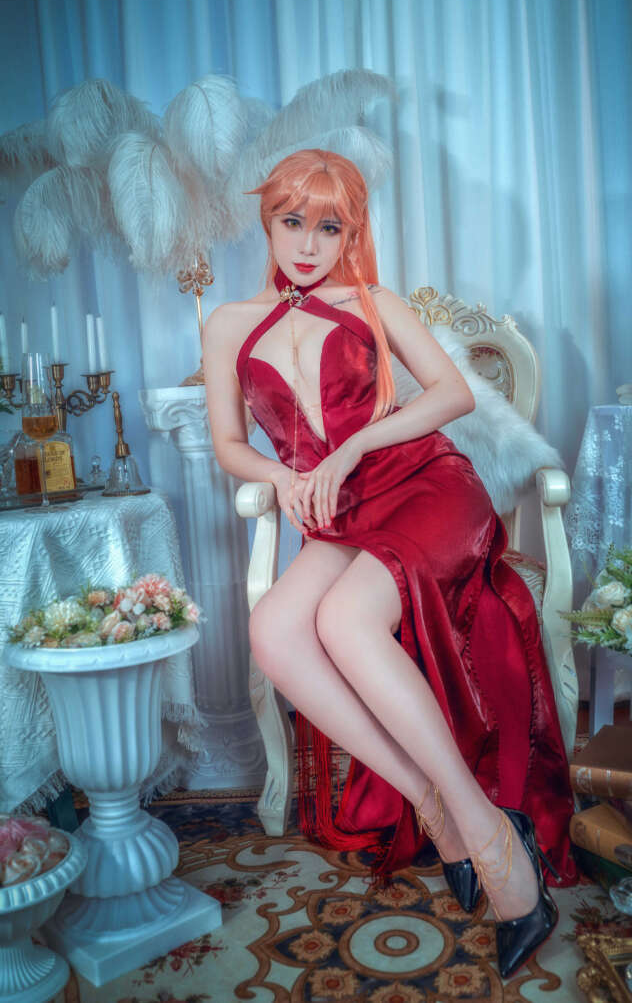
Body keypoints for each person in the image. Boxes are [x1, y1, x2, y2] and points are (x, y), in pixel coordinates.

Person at [202, 148, 576, 979]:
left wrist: (355, 446)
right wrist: (282, 477)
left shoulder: (374, 302)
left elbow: (454, 394)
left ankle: (488, 836)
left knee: (344, 618)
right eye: (293, 222)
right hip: (340, 516)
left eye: (329, 227)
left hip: (425, 487)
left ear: (351, 234)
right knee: (274, 632)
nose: (308, 244)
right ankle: (432, 805)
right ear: (268, 222)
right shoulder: (228, 322)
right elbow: (229, 443)